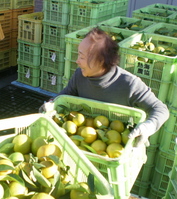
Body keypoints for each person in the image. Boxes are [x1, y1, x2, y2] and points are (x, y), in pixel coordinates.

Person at [41, 27, 169, 147]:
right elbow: (66, 94)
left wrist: (147, 127)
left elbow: (160, 109)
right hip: (83, 141)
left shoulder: (129, 84)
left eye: (82, 56)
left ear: (100, 61)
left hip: (117, 146)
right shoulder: (80, 75)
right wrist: (52, 103)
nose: (77, 61)